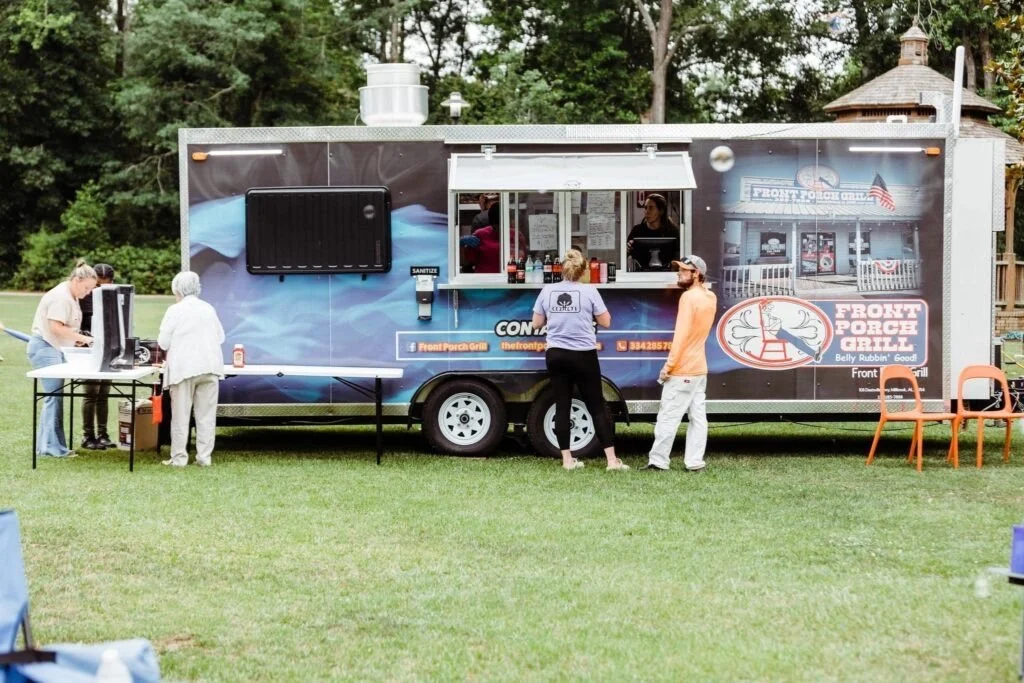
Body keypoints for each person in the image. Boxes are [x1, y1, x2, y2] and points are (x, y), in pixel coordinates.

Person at [532, 249, 628, 471]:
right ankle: (612, 461)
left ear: (562, 270)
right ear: (583, 270)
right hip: (584, 354)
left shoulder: (548, 291)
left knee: (562, 405)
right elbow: (606, 322)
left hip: (556, 354)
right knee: (596, 405)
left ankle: (567, 460)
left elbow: (536, 323)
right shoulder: (590, 292)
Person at [643, 255, 717, 473]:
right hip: (699, 368)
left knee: (668, 416)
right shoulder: (709, 297)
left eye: (685, 270)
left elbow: (681, 336)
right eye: (680, 269)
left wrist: (669, 367)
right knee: (698, 418)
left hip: (683, 369)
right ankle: (694, 462)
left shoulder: (688, 298)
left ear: (697, 274)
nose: (679, 273)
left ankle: (658, 461)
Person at [26, 260, 98, 458]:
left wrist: (76, 341)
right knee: (53, 398)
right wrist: (85, 339)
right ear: (76, 280)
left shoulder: (70, 295)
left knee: (55, 397)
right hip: (45, 347)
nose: (88, 292)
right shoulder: (61, 297)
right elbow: (55, 327)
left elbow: (66, 328)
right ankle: (51, 447)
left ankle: (50, 444)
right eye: (87, 287)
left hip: (53, 348)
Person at [158, 271, 225, 467]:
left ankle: (179, 458)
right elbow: (220, 337)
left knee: (181, 416)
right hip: (210, 366)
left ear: (176, 289)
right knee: (206, 416)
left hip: (184, 368)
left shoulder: (174, 310)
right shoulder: (208, 308)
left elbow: (163, 342)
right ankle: (204, 457)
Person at [79, 263, 115, 449]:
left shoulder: (114, 295)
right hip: (88, 347)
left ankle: (103, 434)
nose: (100, 289)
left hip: (108, 346)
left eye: (104, 285)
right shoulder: (84, 296)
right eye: (97, 285)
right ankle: (88, 435)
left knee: (103, 394)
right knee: (91, 393)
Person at [626, 193, 680, 271]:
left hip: (666, 275)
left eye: (651, 208)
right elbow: (624, 256)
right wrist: (627, 249)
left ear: (661, 211)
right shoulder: (637, 230)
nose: (646, 211)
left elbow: (678, 257)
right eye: (645, 208)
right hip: (641, 275)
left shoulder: (672, 231)